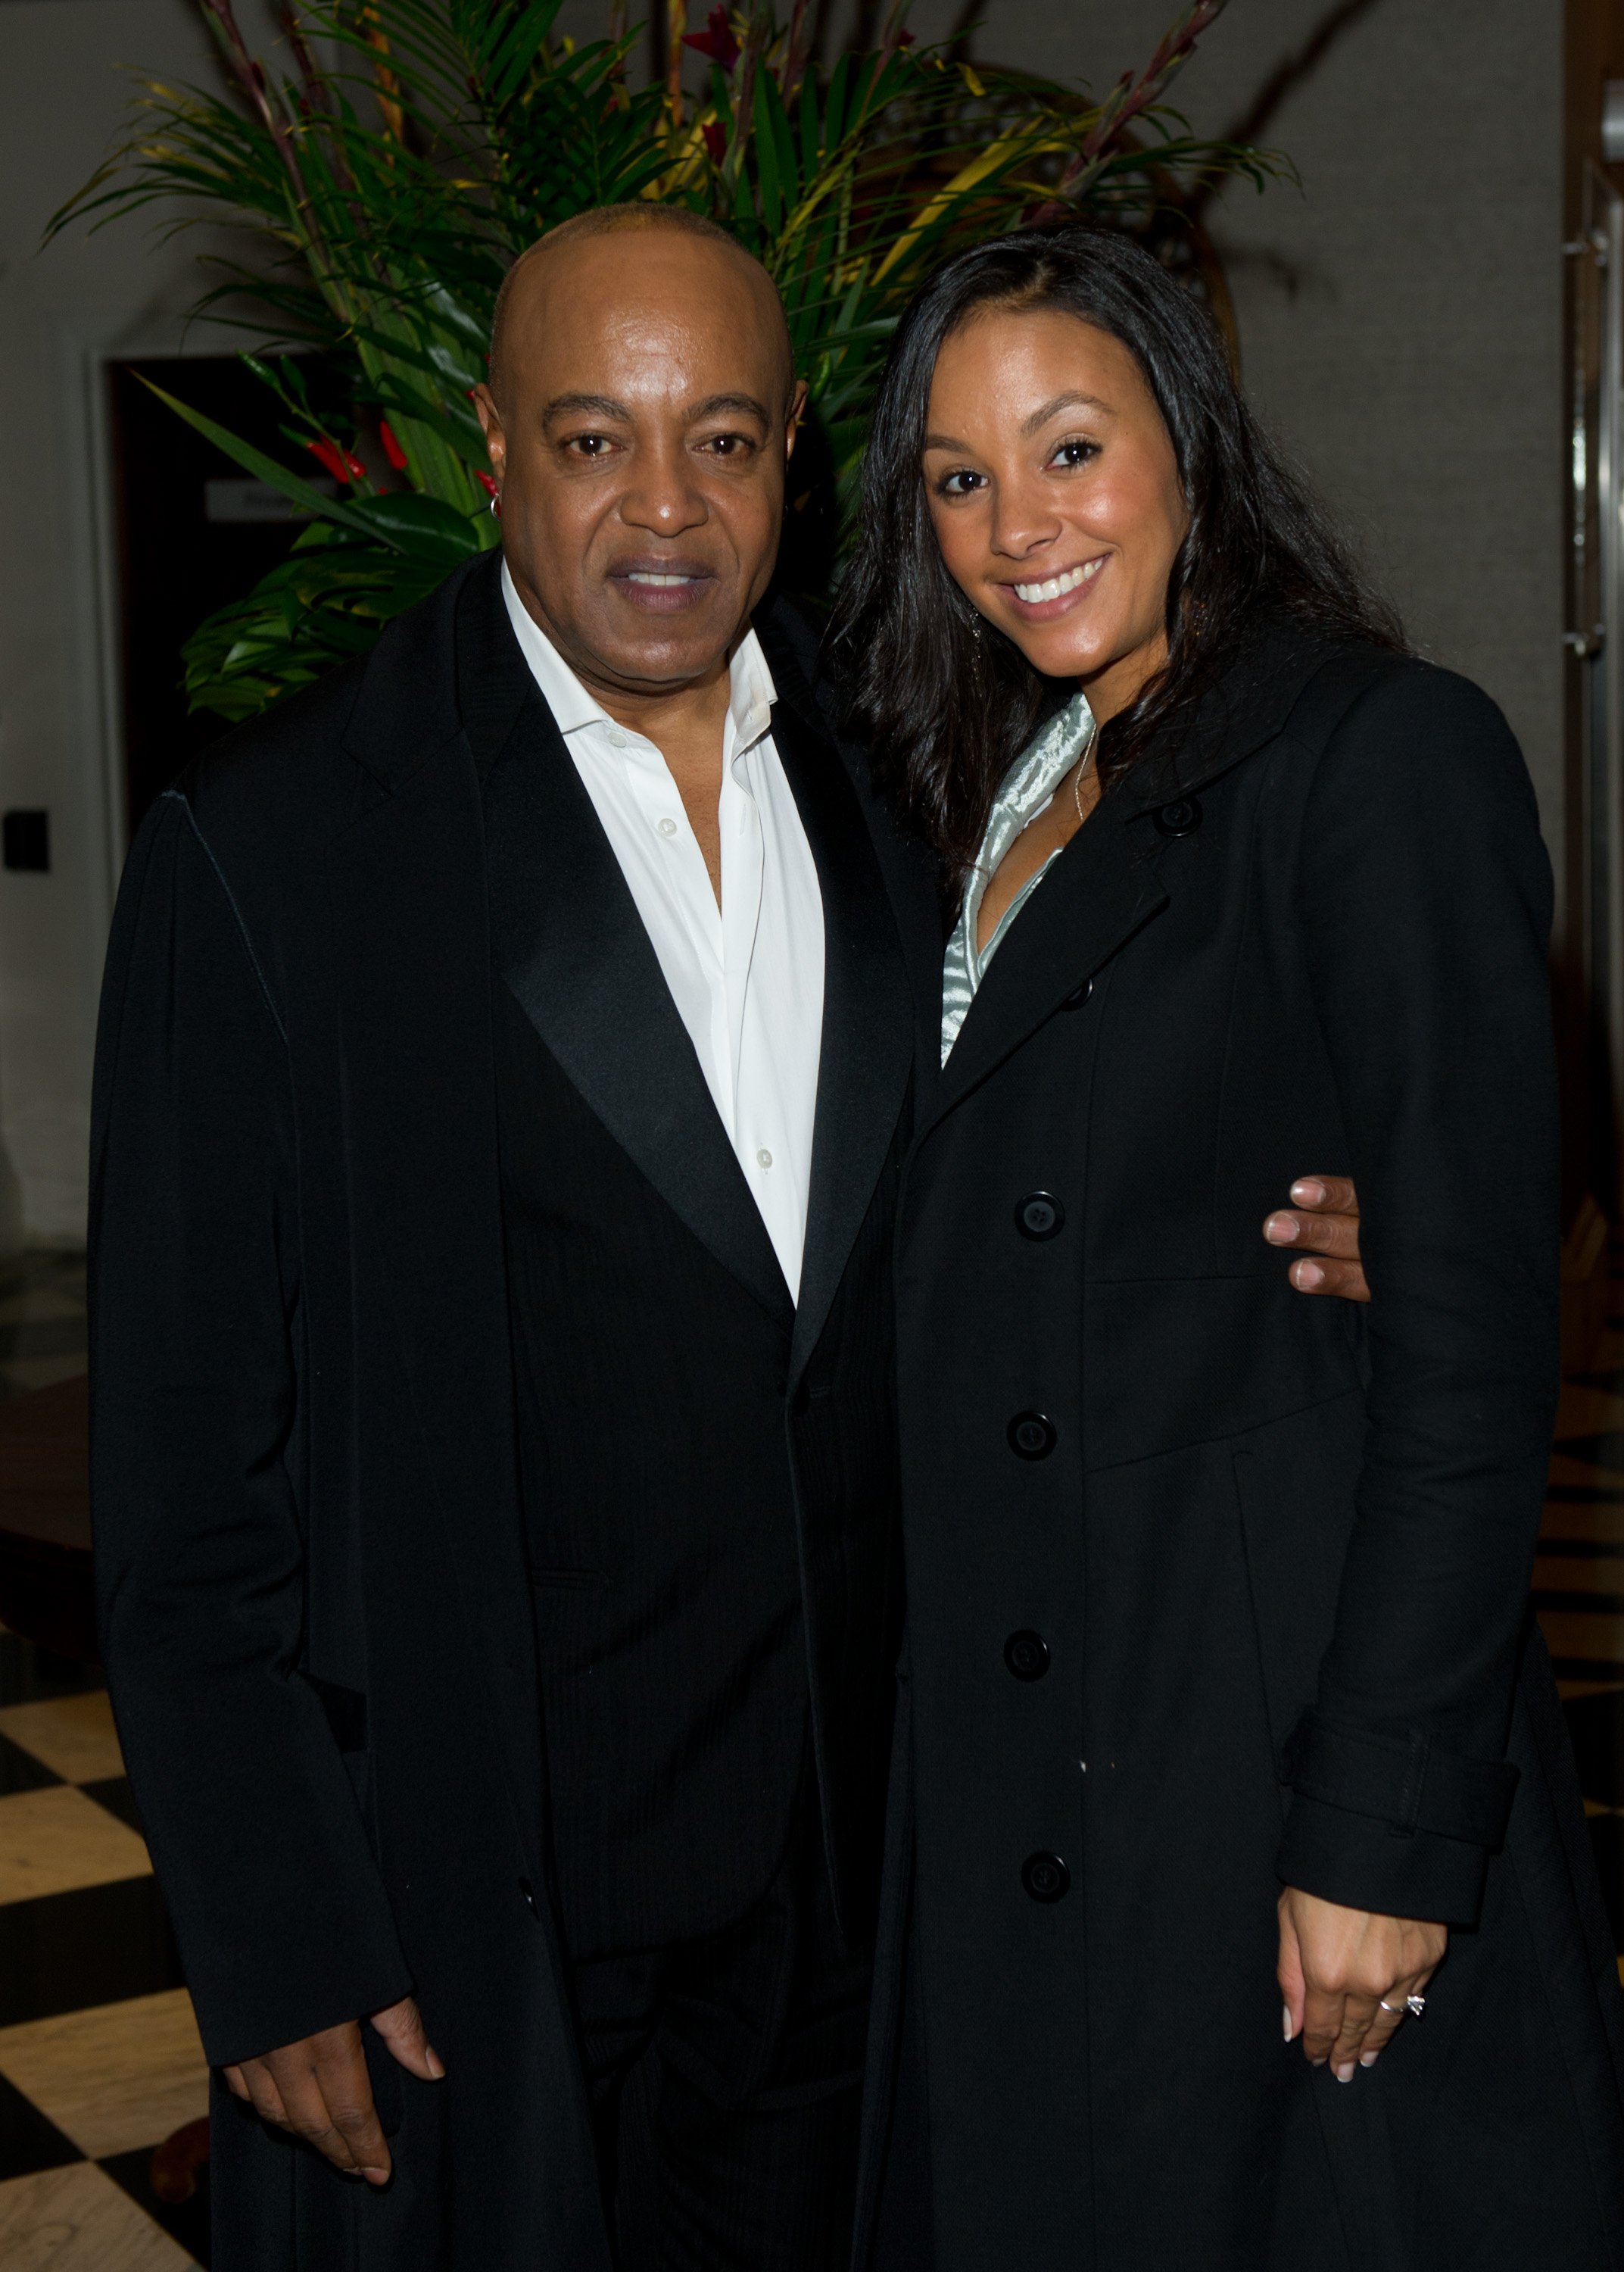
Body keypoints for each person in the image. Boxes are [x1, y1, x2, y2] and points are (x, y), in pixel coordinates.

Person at [89, 206, 1368, 2269]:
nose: (662, 508)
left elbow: (1080, 1143)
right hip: (471, 1904)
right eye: (594, 441)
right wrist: (274, 1935)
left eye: (722, 442)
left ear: (793, 453)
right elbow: (176, 1479)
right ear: (490, 451)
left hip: (857, 1886)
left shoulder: (909, 783)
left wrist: (1357, 1206)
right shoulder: (279, 853)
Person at [831, 224, 1624, 2270]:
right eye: (956, 478)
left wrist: (1380, 1834)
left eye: (1070, 448)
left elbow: (1472, 1358)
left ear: (1189, 436)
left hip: (1254, 1757)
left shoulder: (1372, 755)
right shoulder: (987, 781)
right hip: (1022, 1757)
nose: (1018, 528)